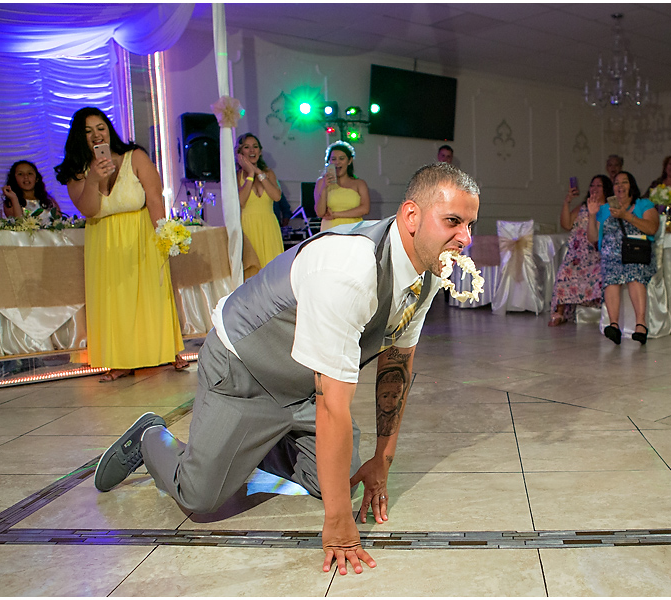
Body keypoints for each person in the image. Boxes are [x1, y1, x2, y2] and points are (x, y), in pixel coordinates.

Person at [93, 163, 480, 576]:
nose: (465, 239)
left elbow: (397, 364)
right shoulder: (350, 269)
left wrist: (382, 461)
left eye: (471, 224)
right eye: (453, 222)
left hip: (302, 387)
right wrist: (337, 524)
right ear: (411, 216)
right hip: (246, 370)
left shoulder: (431, 270)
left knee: (337, 478)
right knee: (200, 498)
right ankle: (151, 438)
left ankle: (257, 444)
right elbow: (333, 407)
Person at [54, 107, 187, 381]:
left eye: (100, 127)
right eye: (88, 131)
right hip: (104, 241)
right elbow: (89, 209)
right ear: (80, 136)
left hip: (141, 236)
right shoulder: (77, 170)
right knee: (115, 300)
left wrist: (163, 233)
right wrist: (94, 178)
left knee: (150, 295)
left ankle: (162, 351)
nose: (96, 135)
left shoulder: (134, 156)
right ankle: (122, 359)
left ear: (109, 129)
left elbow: (153, 196)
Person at [587, 171, 659, 345]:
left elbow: (652, 228)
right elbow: (593, 238)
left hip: (636, 253)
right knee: (611, 275)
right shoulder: (604, 209)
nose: (620, 186)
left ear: (631, 186)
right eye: (616, 183)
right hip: (611, 254)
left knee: (634, 273)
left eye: (624, 182)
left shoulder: (644, 204)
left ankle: (640, 325)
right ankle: (613, 325)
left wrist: (626, 215)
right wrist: (591, 215)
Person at [548, 174, 613, 326]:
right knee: (565, 272)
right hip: (577, 255)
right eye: (592, 185)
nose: (594, 189)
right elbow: (566, 224)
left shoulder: (609, 209)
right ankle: (559, 312)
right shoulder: (582, 207)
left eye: (598, 186)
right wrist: (567, 201)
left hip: (597, 254)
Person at [235, 133, 285, 269]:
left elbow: (276, 196)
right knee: (253, 270)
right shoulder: (237, 176)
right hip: (248, 226)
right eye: (247, 147)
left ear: (260, 151)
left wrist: (258, 172)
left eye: (255, 147)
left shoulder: (268, 173)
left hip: (269, 227)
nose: (252, 150)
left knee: (272, 270)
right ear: (240, 153)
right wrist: (250, 174)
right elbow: (240, 202)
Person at [314, 140, 370, 231]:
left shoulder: (359, 183)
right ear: (328, 161)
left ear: (349, 161)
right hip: (331, 230)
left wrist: (336, 214)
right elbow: (320, 213)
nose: (337, 162)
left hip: (354, 230)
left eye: (341, 158)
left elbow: (365, 209)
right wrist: (324, 188)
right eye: (333, 159)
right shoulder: (321, 182)